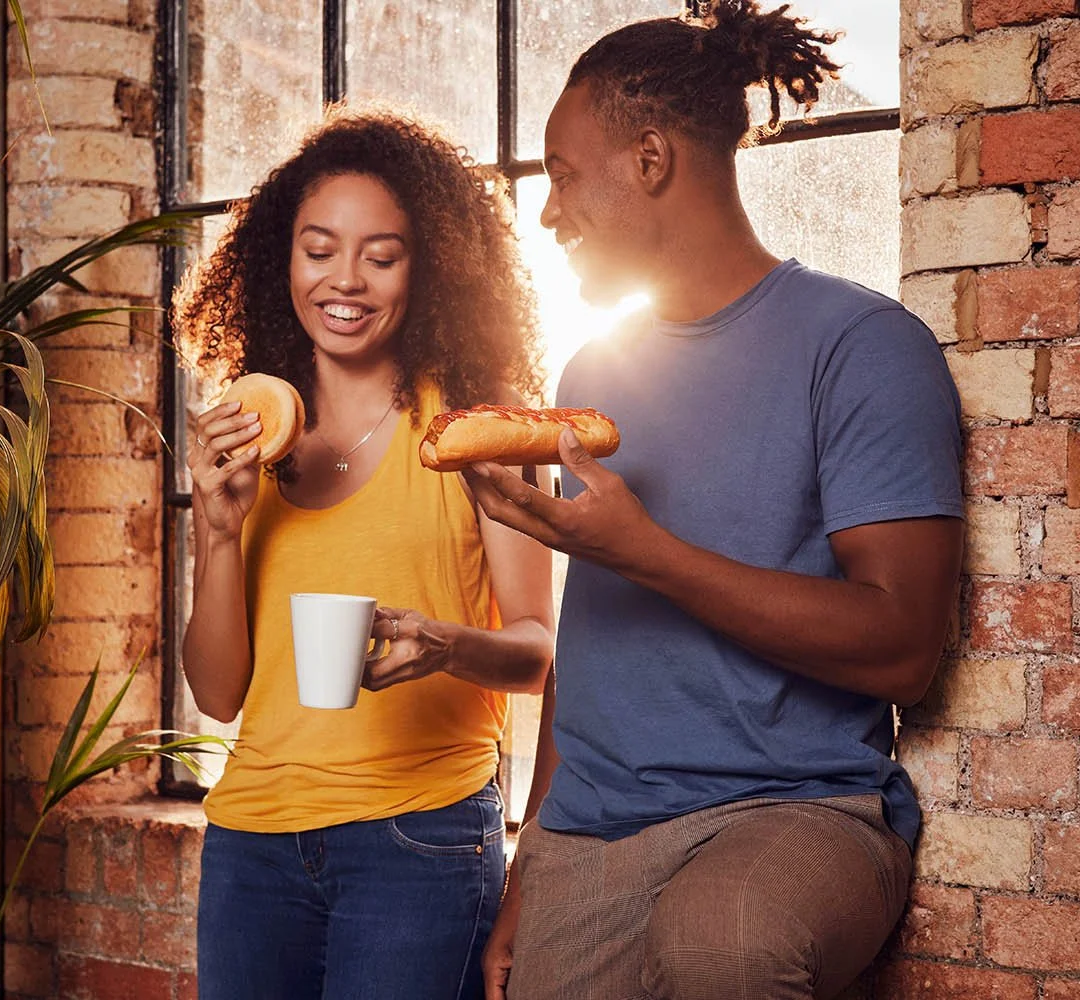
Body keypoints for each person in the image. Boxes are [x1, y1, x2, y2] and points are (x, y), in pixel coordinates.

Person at [467, 4, 966, 999]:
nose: (548, 211)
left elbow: (907, 643)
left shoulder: (863, 346)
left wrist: (647, 550)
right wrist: (531, 851)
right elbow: (592, 638)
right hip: (593, 828)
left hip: (796, 812)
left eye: (565, 175)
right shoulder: (590, 372)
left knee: (723, 941)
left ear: (650, 160)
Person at [173, 110, 555, 1000]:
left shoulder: (476, 429)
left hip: (416, 844)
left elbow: (540, 651)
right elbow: (219, 692)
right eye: (320, 250)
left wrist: (444, 643)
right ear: (282, 259)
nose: (346, 281)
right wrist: (219, 531)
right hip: (252, 847)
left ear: (430, 271)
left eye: (382, 257)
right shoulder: (245, 431)